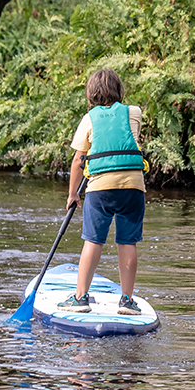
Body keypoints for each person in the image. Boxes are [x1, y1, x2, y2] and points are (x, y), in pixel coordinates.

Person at [57, 68, 146, 315]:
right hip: (133, 186)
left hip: (100, 188)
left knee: (93, 241)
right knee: (128, 242)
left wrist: (73, 194)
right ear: (119, 90)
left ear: (91, 94)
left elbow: (78, 160)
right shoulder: (134, 112)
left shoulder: (89, 119)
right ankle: (127, 301)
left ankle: (80, 298)